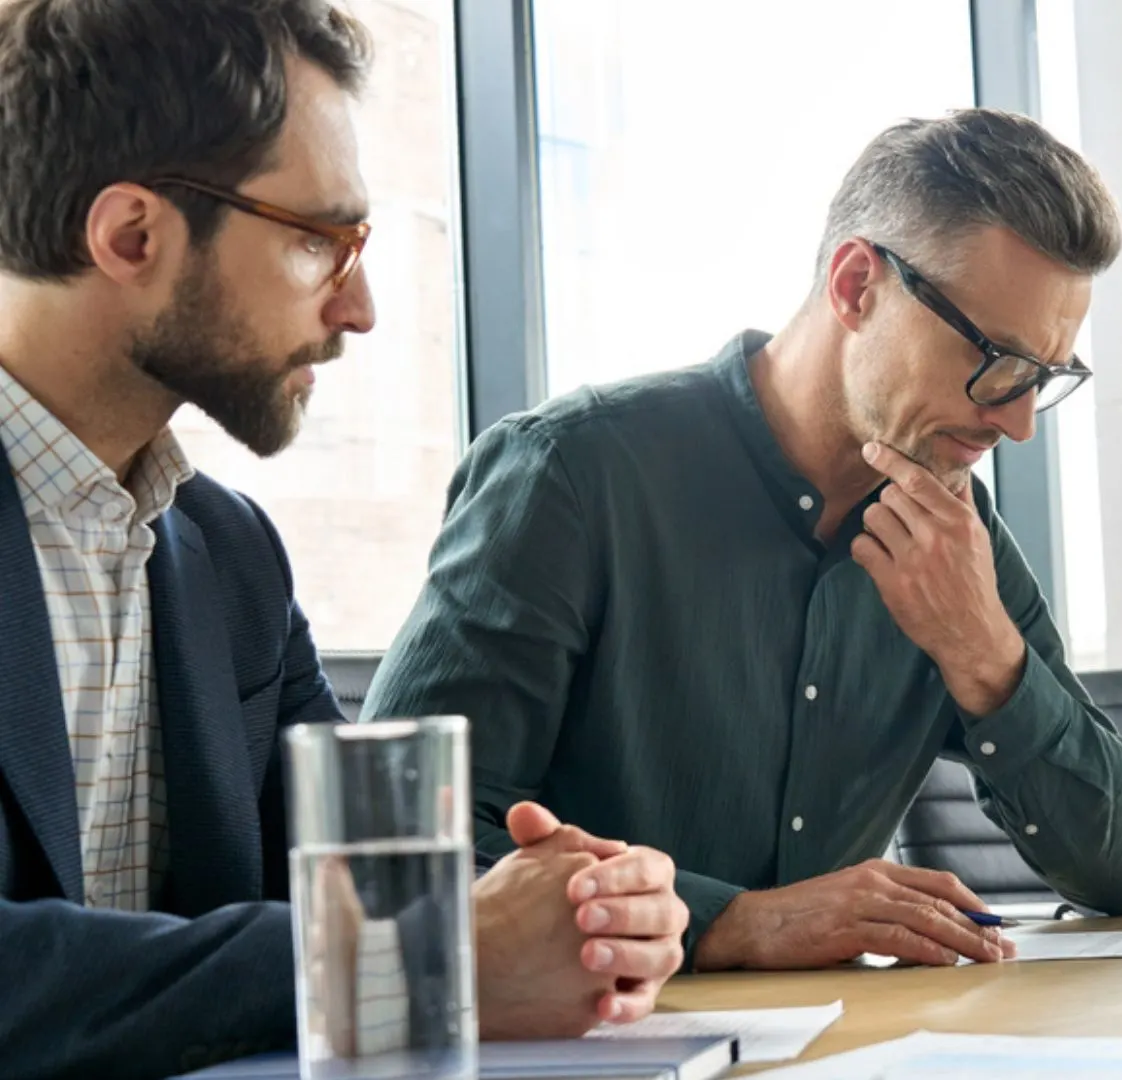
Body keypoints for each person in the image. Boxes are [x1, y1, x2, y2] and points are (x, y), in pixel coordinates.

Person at [0, 3, 685, 1077]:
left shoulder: (229, 560)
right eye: (321, 240)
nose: (359, 308)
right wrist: (430, 955)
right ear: (132, 235)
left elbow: (356, 893)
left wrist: (581, 914)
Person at [365, 108, 1122, 970]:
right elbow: (393, 838)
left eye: (1042, 380)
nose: (1017, 426)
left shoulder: (954, 531)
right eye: (996, 361)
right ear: (857, 285)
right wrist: (734, 922)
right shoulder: (571, 476)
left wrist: (984, 654)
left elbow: (1119, 871)